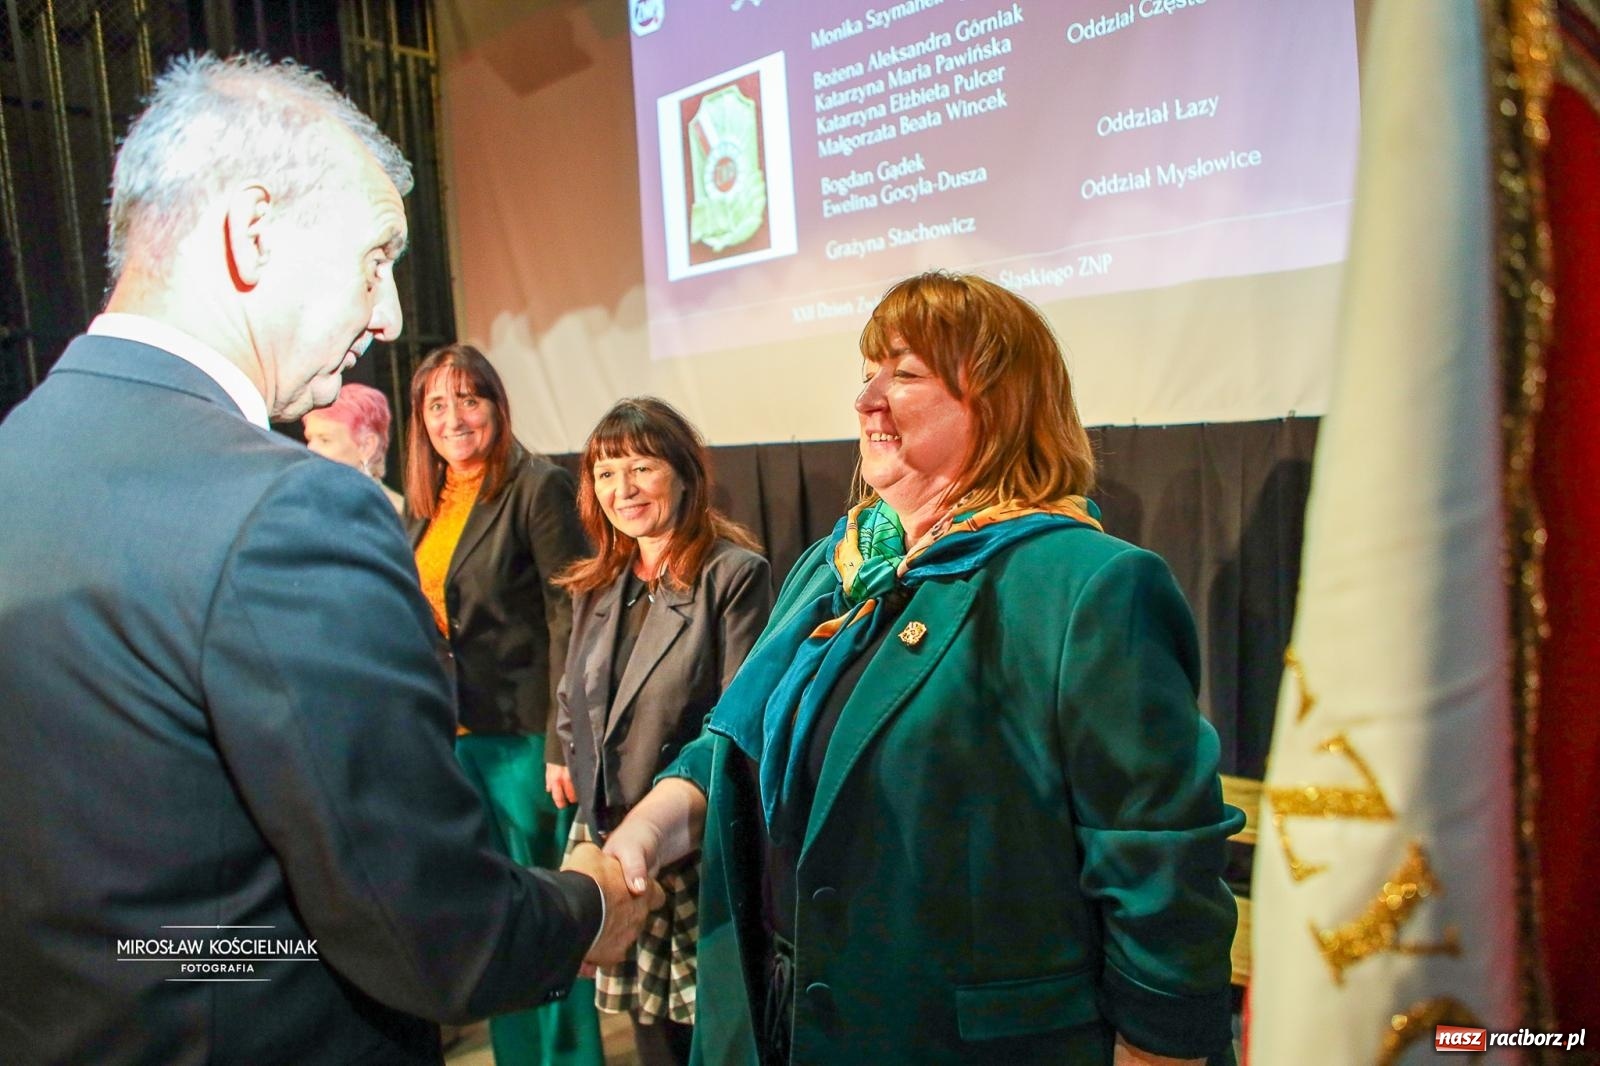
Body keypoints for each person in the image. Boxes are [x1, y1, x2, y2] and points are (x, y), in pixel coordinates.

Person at [0, 54, 656, 1066]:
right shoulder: (289, 510)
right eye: (374, 257)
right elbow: (431, 930)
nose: (388, 312)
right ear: (252, 233)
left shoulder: (20, 456)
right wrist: (591, 902)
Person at [604, 271, 1243, 1066]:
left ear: (1001, 403)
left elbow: (1157, 859)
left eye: (904, 374)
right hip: (778, 1024)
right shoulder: (831, 565)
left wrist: (1160, 1052)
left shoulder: (1086, 585)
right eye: (867, 372)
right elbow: (737, 740)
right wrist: (643, 832)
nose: (868, 399)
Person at [549, 398, 773, 1065]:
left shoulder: (732, 575)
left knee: (708, 1037)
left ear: (682, 473)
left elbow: (742, 719)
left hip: (688, 845)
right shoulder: (597, 581)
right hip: (608, 829)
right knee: (647, 1036)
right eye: (607, 473)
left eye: (641, 468)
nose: (624, 490)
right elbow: (573, 696)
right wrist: (567, 755)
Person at [403, 342, 604, 1066]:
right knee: (491, 926)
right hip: (453, 744)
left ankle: (570, 1060)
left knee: (544, 924)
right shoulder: (427, 507)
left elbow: (572, 619)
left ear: (496, 404)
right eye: (436, 405)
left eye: (469, 399)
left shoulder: (536, 487)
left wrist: (563, 743)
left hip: (524, 742)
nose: (454, 418)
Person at [302, 380, 406, 511]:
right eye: (309, 439)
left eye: (325, 440)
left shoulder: (396, 516)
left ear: (367, 446)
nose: (311, 449)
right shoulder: (304, 508)